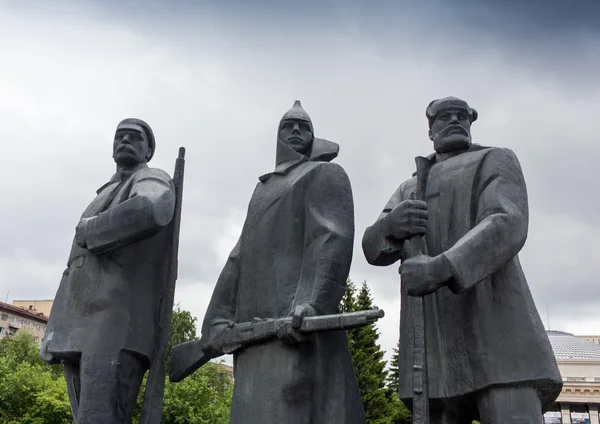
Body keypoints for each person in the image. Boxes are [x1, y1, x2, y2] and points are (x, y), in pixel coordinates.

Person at [362, 97, 562, 423]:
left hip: (499, 337)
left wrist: (443, 267)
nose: (454, 120)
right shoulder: (409, 187)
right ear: (430, 130)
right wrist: (390, 226)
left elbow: (506, 221)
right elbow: (373, 250)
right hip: (435, 350)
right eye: (444, 117)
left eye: (462, 116)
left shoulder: (494, 159)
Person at [200, 101, 366, 424]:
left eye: (303, 127)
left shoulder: (325, 173)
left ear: (313, 138)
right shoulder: (262, 189)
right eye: (287, 126)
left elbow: (331, 239)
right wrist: (215, 320)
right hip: (252, 343)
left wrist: (311, 304)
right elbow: (240, 256)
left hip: (296, 335)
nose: (294, 131)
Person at [41, 118, 176, 423]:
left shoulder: (152, 177)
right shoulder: (104, 193)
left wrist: (91, 230)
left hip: (118, 323)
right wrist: (54, 329)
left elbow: (151, 209)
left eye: (134, 137)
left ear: (149, 150)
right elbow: (73, 268)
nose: (125, 140)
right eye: (119, 136)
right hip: (80, 326)